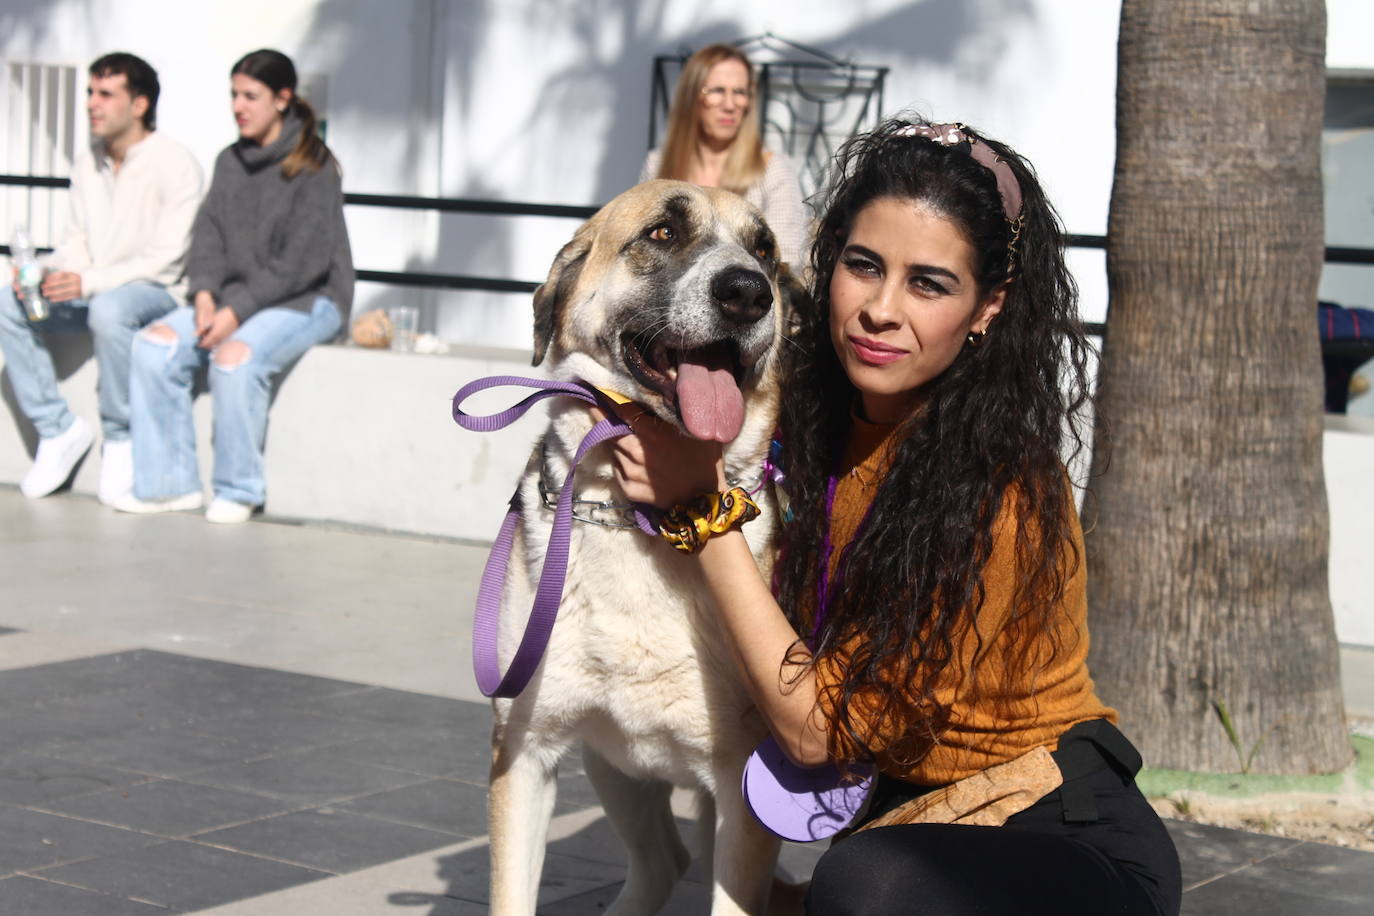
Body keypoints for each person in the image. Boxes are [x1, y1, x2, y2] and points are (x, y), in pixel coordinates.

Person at [609, 117, 1182, 915]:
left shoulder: (1002, 486)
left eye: (929, 283)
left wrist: (703, 512)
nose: (880, 309)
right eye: (863, 266)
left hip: (1057, 840)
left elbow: (815, 733)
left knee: (866, 889)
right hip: (905, 826)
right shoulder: (809, 416)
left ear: (988, 306)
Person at [113, 48, 353, 524]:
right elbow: (208, 238)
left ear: (283, 99)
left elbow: (299, 266)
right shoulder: (229, 162)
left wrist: (233, 313)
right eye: (233, 95)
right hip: (235, 300)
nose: (238, 106)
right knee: (152, 346)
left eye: (251, 96)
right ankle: (168, 486)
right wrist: (204, 295)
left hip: (310, 300)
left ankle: (239, 488)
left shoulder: (315, 166)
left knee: (234, 358)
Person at [0, 52, 202, 503]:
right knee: (8, 300)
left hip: (156, 294)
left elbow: (167, 260)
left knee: (111, 309)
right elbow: (78, 242)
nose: (92, 103)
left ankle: (120, 439)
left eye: (106, 94)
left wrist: (88, 283)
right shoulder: (87, 161)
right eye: (90, 93)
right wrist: (48, 273)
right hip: (96, 290)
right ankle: (58, 430)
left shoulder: (176, 163)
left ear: (139, 104)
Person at [640, 43, 808, 267]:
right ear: (692, 97)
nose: (730, 105)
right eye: (717, 91)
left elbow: (786, 263)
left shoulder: (772, 171)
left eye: (739, 92)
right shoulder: (657, 165)